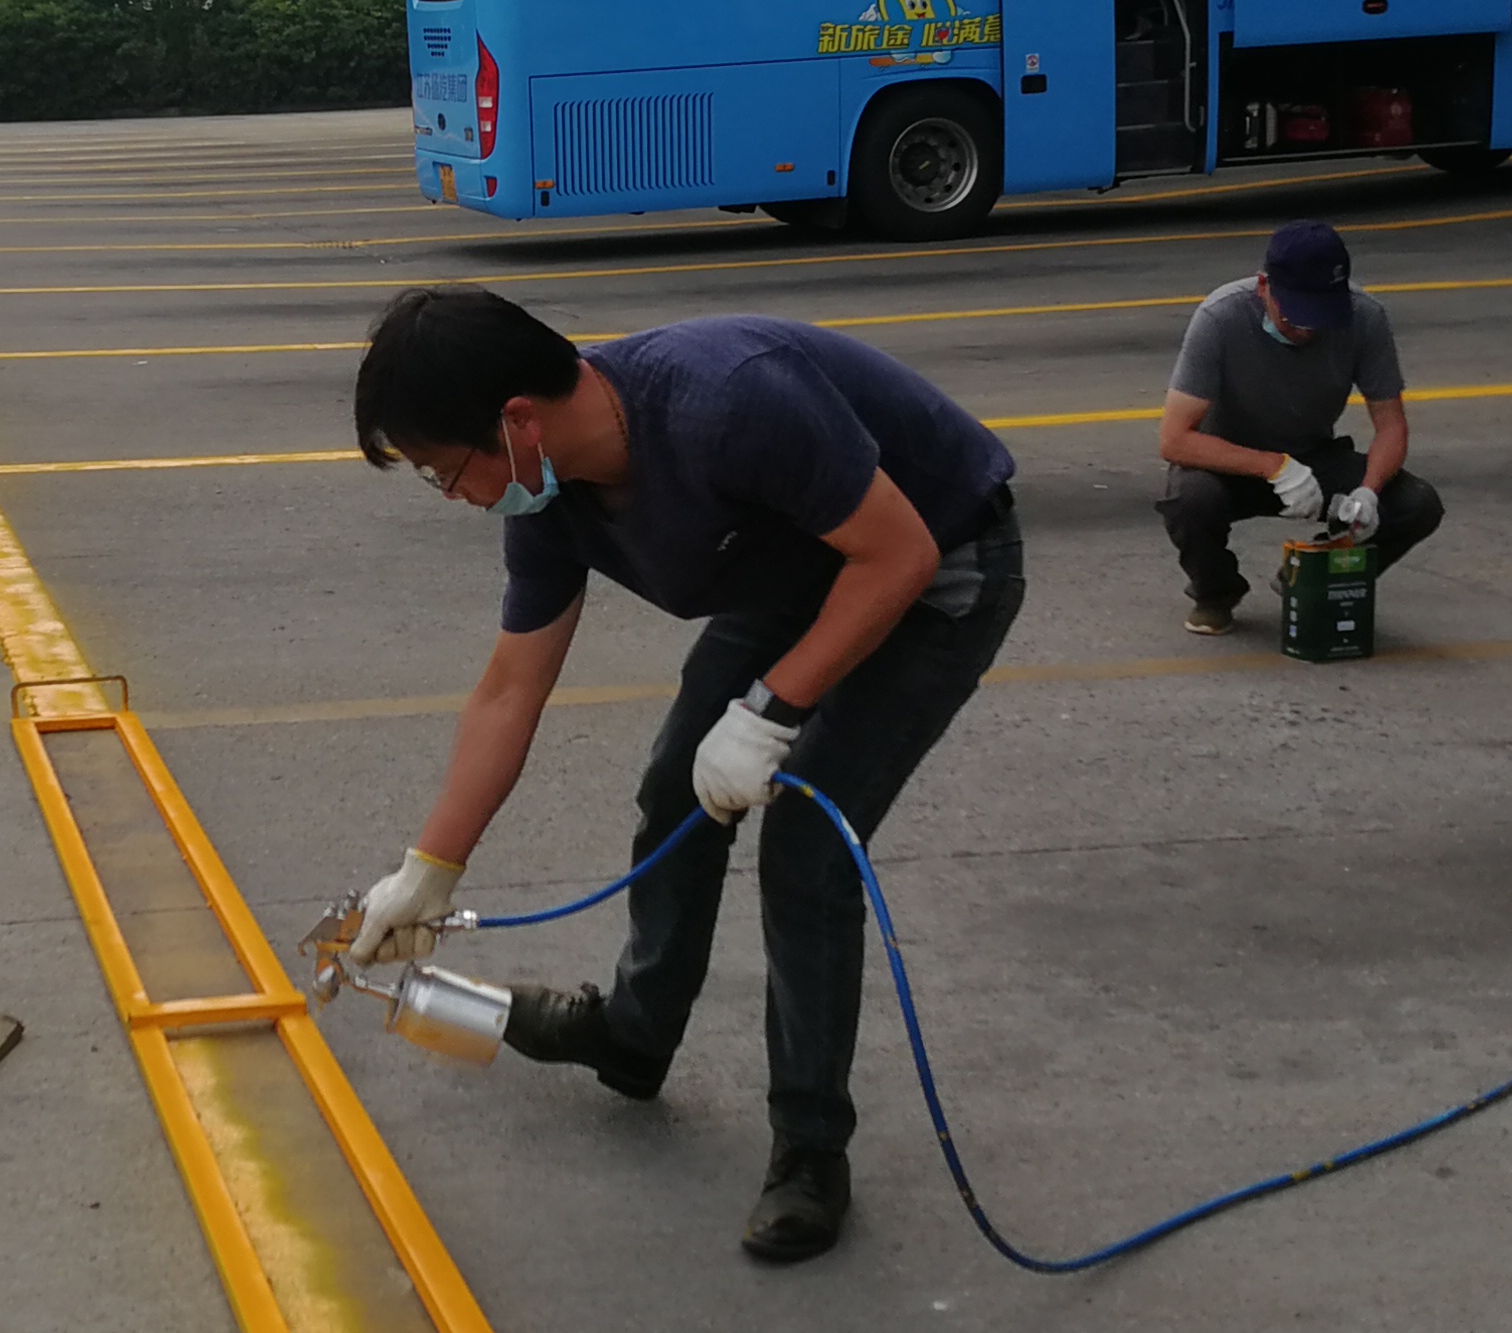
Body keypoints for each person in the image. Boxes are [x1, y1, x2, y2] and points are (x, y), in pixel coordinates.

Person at [343, 287, 1022, 1265]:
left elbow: (897, 554)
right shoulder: (550, 500)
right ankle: (634, 1034)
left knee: (807, 846)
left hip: (936, 562)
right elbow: (509, 689)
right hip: (796, 568)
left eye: (444, 471)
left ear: (518, 420)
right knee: (677, 787)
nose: (450, 495)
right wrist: (429, 869)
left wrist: (771, 708)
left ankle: (810, 1146)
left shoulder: (729, 403)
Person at [1154, 219, 1441, 634]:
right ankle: (1215, 592)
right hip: (1228, 463)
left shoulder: (1365, 317)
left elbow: (1391, 426)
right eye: (1293, 316)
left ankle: (1311, 577)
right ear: (1264, 287)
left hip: (1313, 457)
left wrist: (1369, 491)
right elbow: (1174, 440)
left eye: (1321, 317)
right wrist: (1274, 466)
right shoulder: (1220, 317)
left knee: (1417, 503)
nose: (1306, 330)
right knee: (1189, 498)